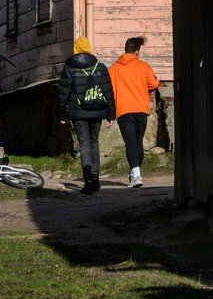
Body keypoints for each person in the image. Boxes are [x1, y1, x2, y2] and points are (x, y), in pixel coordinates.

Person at [57, 36, 115, 195]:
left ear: (75, 49)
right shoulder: (100, 67)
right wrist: (111, 114)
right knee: (94, 143)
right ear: (89, 48)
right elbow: (108, 92)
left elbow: (63, 93)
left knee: (84, 144)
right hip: (97, 110)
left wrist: (62, 114)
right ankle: (96, 179)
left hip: (78, 112)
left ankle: (88, 179)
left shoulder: (69, 68)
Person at [109, 36, 161, 189]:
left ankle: (136, 174)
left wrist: (109, 113)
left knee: (130, 143)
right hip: (141, 109)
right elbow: (154, 83)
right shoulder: (143, 66)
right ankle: (136, 173)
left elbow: (109, 91)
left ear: (125, 49)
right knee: (138, 142)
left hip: (124, 110)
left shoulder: (113, 69)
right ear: (137, 51)